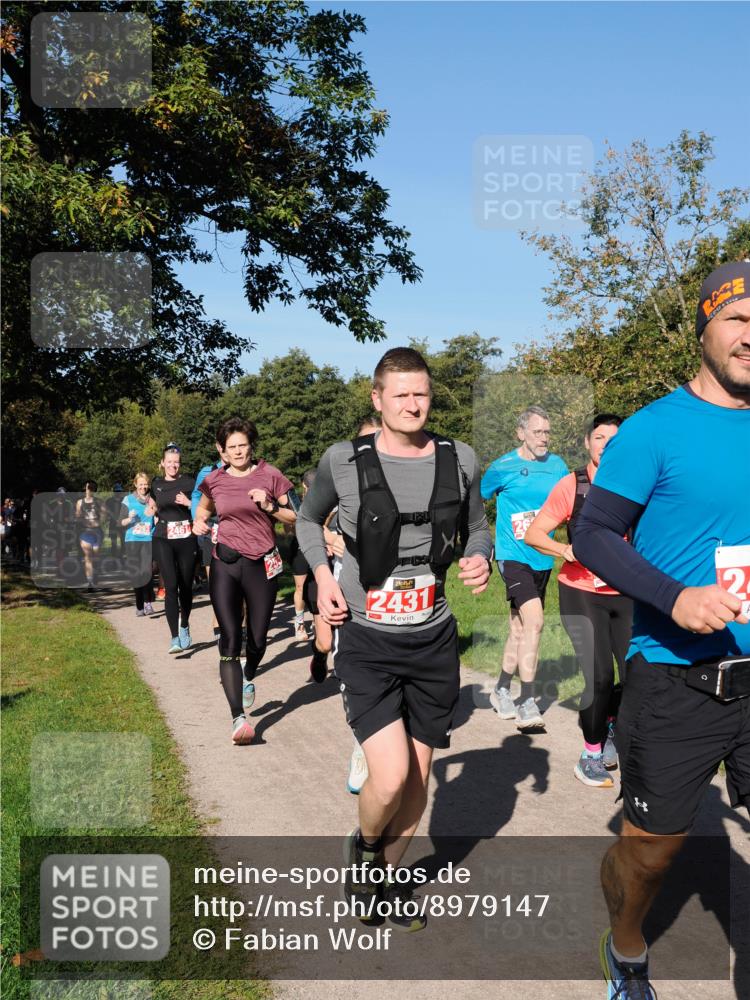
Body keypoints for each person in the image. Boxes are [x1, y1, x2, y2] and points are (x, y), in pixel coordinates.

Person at [572, 260, 750, 1000]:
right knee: (649, 856)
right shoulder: (654, 428)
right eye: (739, 319)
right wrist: (674, 598)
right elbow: (594, 534)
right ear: (705, 327)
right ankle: (626, 946)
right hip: (678, 678)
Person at [297, 347, 492, 930]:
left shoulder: (460, 460)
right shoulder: (343, 462)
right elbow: (308, 520)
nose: (412, 404)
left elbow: (477, 527)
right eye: (400, 394)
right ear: (377, 399)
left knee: (419, 784)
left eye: (422, 394)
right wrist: (324, 576)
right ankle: (363, 845)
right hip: (368, 639)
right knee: (390, 777)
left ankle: (381, 882)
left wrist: (479, 558)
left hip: (432, 639)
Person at [525, 414, 632, 788]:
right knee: (600, 675)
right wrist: (565, 549)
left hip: (627, 593)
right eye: (599, 437)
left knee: (636, 674)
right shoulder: (573, 484)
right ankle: (590, 754)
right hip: (581, 591)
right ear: (588, 443)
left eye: (615, 439)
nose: (606, 444)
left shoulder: (638, 485)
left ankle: (613, 724)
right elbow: (536, 533)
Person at [193, 417, 296, 745]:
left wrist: (268, 506)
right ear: (221, 450)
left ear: (252, 446)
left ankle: (249, 674)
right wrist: (198, 524)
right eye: (231, 446)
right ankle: (238, 717)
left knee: (258, 639)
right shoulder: (213, 480)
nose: (238, 451)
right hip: (225, 562)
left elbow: (295, 515)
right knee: (229, 637)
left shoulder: (271, 475)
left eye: (243, 445)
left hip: (261, 563)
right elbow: (204, 511)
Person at [480, 406, 568, 729]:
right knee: (535, 621)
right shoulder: (502, 467)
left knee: (519, 627)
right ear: (521, 434)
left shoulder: (557, 466)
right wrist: (480, 542)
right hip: (511, 555)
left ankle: (501, 688)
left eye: (547, 431)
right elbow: (476, 501)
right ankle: (527, 700)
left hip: (542, 557)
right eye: (537, 432)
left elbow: (569, 505)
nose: (544, 438)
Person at [151, 444, 198, 653]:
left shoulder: (189, 482)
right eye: (169, 462)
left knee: (185, 586)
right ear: (162, 463)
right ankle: (175, 638)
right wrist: (150, 509)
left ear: (180, 464)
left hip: (186, 538)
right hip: (163, 537)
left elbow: (202, 506)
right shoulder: (156, 483)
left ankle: (185, 623)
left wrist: (189, 503)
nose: (172, 466)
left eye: (176, 463)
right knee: (170, 587)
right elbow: (153, 505)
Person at [192, 451, 225, 639]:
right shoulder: (207, 471)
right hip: (211, 533)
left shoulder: (247, 471)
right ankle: (218, 620)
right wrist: (197, 519)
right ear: (220, 448)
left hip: (237, 533)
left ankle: (239, 626)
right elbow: (197, 497)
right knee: (216, 583)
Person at [120, 472, 157, 617]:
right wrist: (129, 518)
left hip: (148, 539)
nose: (143, 487)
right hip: (132, 540)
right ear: (135, 484)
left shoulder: (152, 500)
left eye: (145, 484)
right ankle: (139, 605)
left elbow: (158, 517)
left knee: (146, 572)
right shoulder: (128, 500)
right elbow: (120, 522)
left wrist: (156, 516)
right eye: (140, 484)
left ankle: (148, 604)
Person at [75, 481, 104, 590]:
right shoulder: (79, 502)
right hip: (85, 532)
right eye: (87, 488)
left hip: (97, 531)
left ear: (94, 489)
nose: (89, 490)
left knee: (96, 557)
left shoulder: (99, 502)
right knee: (88, 557)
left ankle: (95, 576)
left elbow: (104, 515)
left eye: (91, 488)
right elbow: (77, 516)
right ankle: (90, 582)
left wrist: (98, 522)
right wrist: (82, 520)